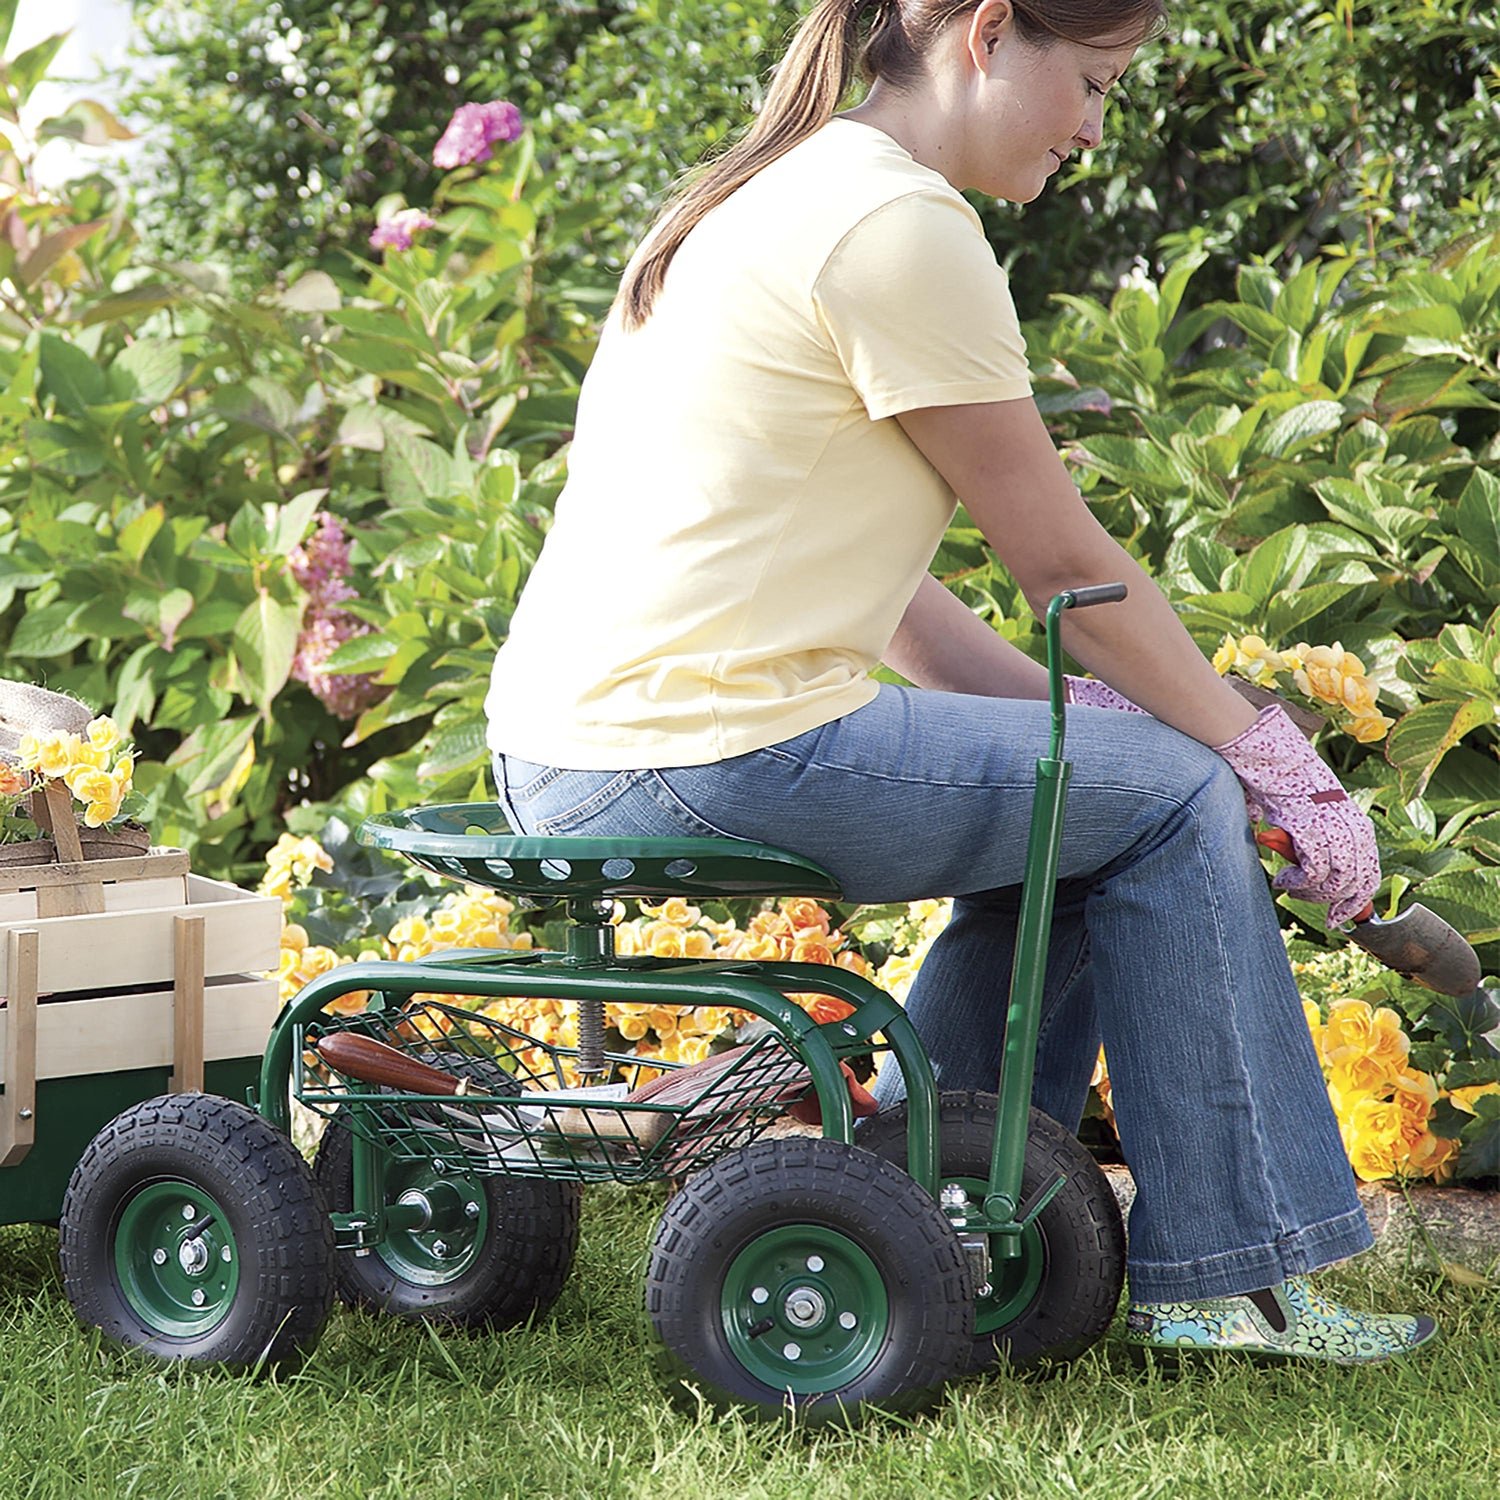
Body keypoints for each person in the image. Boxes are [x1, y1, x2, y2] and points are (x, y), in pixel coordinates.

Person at [485, 0, 1434, 1364]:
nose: (1097, 126)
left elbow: (903, 610)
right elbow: (1061, 570)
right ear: (989, 34)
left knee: (1112, 791)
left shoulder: (773, 190)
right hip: (700, 743)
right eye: (1096, 80)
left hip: (588, 738)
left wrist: (1111, 726)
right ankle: (1242, 1279)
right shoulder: (898, 228)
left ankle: (926, 1195)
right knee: (1168, 800)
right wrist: (1261, 756)